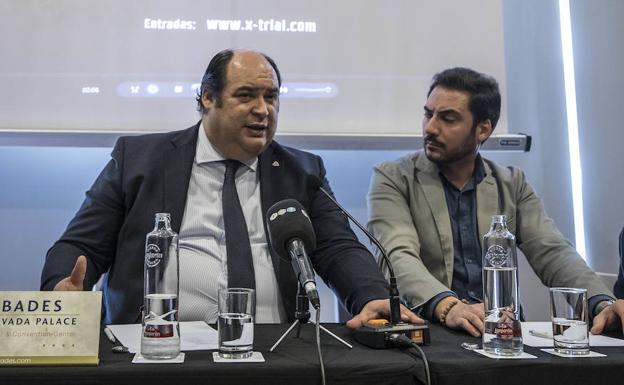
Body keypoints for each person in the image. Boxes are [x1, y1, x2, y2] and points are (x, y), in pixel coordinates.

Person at [41, 49, 421, 328]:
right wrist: (62, 291)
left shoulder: (302, 171)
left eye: (270, 97)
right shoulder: (140, 160)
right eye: (246, 96)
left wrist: (371, 296)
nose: (263, 110)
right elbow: (81, 246)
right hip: (159, 344)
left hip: (277, 347)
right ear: (208, 98)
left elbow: (339, 248)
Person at [367, 67, 624, 336]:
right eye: (428, 114)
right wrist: (448, 306)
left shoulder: (512, 184)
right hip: (430, 329)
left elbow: (553, 252)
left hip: (502, 332)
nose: (431, 127)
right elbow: (398, 255)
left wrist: (601, 303)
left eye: (448, 118)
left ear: (483, 129)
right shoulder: (393, 178)